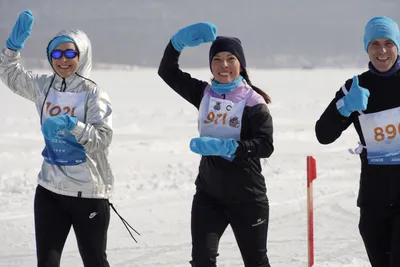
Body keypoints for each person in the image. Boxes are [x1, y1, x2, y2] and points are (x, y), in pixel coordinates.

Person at [0, 10, 114, 267]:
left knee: (95, 261)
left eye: (70, 53)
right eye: (57, 54)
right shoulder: (43, 87)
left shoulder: (93, 94)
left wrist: (72, 124)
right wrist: (12, 47)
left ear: (81, 55)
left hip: (89, 194)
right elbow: (10, 74)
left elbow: (103, 139)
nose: (63, 60)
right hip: (49, 191)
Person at [158, 22, 274, 267]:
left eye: (230, 58)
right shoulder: (204, 94)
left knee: (256, 262)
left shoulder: (253, 102)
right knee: (202, 260)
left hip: (247, 198)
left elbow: (265, 146)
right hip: (208, 196)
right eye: (217, 59)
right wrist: (176, 44)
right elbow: (167, 71)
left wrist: (230, 148)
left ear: (240, 64)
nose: (224, 65)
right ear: (210, 65)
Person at [315, 16, 400, 267]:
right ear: (366, 47)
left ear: (397, 46)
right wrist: (345, 107)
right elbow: (323, 134)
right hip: (374, 198)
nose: (382, 51)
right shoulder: (355, 87)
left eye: (388, 43)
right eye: (375, 44)